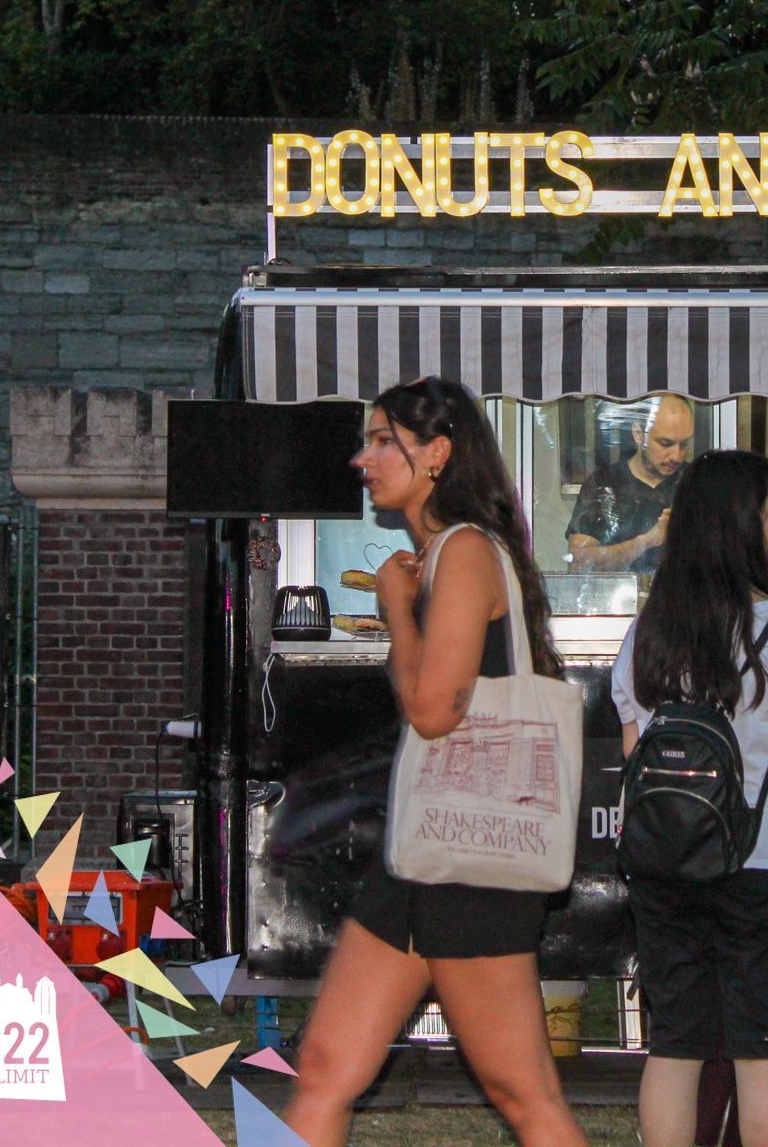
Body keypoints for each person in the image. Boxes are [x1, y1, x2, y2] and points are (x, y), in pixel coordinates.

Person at [289, 377, 585, 1147]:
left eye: (384, 440)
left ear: (438, 454)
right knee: (325, 1066)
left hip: (473, 867)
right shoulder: (443, 555)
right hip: (424, 855)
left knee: (523, 1095)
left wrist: (394, 608)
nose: (364, 457)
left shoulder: (464, 553)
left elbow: (433, 709)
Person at [612, 450, 768, 1147]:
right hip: (765, 854)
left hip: (665, 855)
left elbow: (633, 749)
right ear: (746, 521)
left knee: (675, 1043)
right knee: (762, 1045)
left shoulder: (651, 630)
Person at [567, 392, 695, 571]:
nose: (676, 456)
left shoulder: (696, 483)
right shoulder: (605, 484)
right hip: (620, 598)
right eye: (665, 444)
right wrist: (647, 541)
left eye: (684, 445)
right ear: (638, 434)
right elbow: (578, 563)